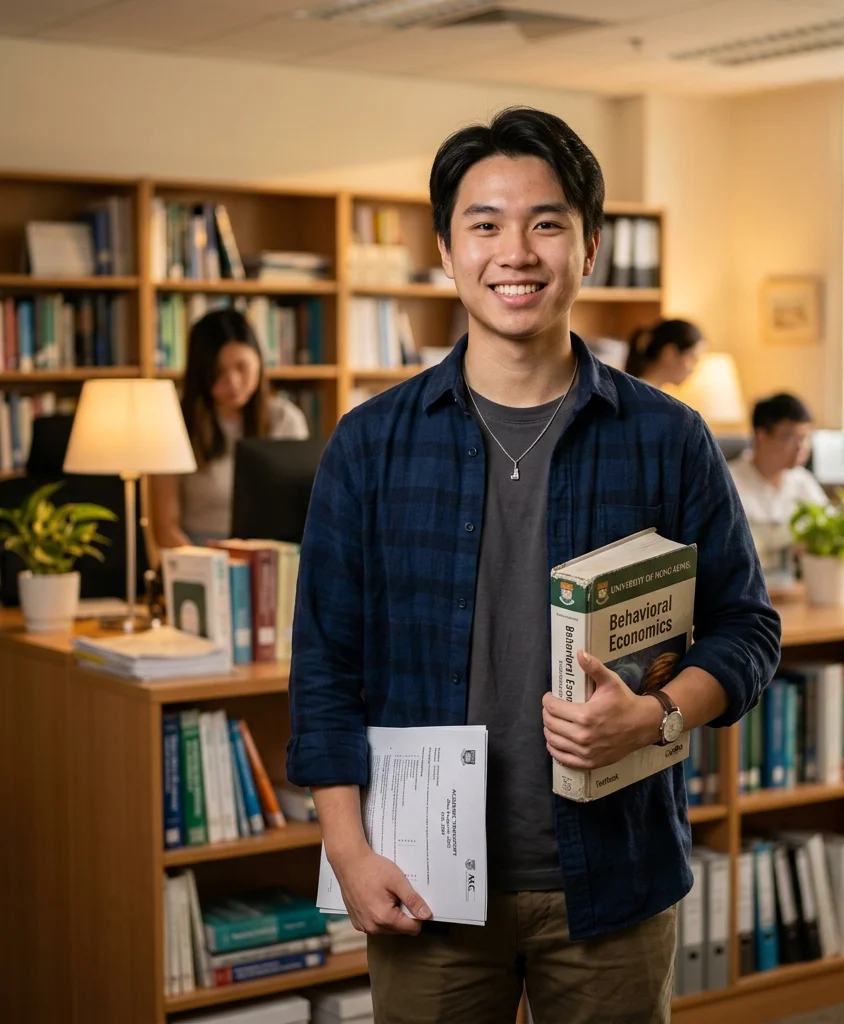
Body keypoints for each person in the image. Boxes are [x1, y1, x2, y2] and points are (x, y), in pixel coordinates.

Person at [286, 106, 781, 1024]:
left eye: (546, 222)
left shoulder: (667, 437)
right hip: (422, 882)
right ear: (446, 248)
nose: (515, 251)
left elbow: (748, 627)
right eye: (485, 224)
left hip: (612, 879)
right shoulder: (370, 446)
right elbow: (325, 665)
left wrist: (657, 715)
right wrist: (348, 855)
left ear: (588, 247)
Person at [150, 308, 308, 548]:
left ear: (259, 361)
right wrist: (212, 569)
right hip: (199, 555)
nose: (233, 382)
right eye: (218, 372)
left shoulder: (286, 419)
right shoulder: (176, 423)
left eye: (242, 367)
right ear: (201, 374)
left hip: (270, 554)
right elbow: (164, 526)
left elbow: (302, 511)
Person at [729, 392, 828, 525]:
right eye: (790, 438)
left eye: (804, 438)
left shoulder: (803, 481)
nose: (800, 448)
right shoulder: (728, 483)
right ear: (761, 437)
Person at [623, 317, 706, 386]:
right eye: (693, 358)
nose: (693, 369)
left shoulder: (648, 393)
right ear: (670, 354)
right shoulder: (643, 398)